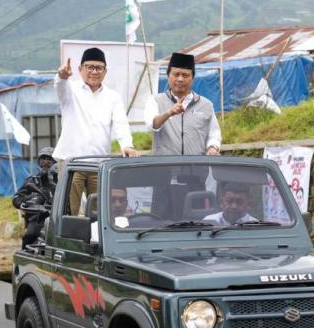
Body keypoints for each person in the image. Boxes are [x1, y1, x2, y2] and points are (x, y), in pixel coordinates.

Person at [53, 47, 138, 215]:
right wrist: (61, 77)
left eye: (98, 68)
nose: (94, 71)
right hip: (72, 162)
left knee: (98, 213)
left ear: (105, 71)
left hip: (99, 164)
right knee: (69, 212)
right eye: (89, 67)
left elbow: (121, 123)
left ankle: (94, 241)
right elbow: (60, 88)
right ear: (80, 69)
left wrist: (127, 145)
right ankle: (70, 241)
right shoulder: (71, 90)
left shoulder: (113, 97)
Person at [144, 52, 221, 156]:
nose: (180, 79)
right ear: (168, 76)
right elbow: (152, 125)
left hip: (197, 167)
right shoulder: (155, 100)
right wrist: (169, 113)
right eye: (176, 74)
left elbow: (214, 134)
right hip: (165, 168)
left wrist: (213, 147)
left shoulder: (206, 105)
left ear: (192, 78)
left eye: (185, 75)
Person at [12, 147, 58, 247]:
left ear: (55, 162)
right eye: (43, 159)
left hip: (57, 219)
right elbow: (16, 198)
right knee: (30, 235)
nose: (46, 162)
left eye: (49, 159)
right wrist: (30, 200)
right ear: (39, 162)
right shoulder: (32, 181)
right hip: (37, 219)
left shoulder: (62, 180)